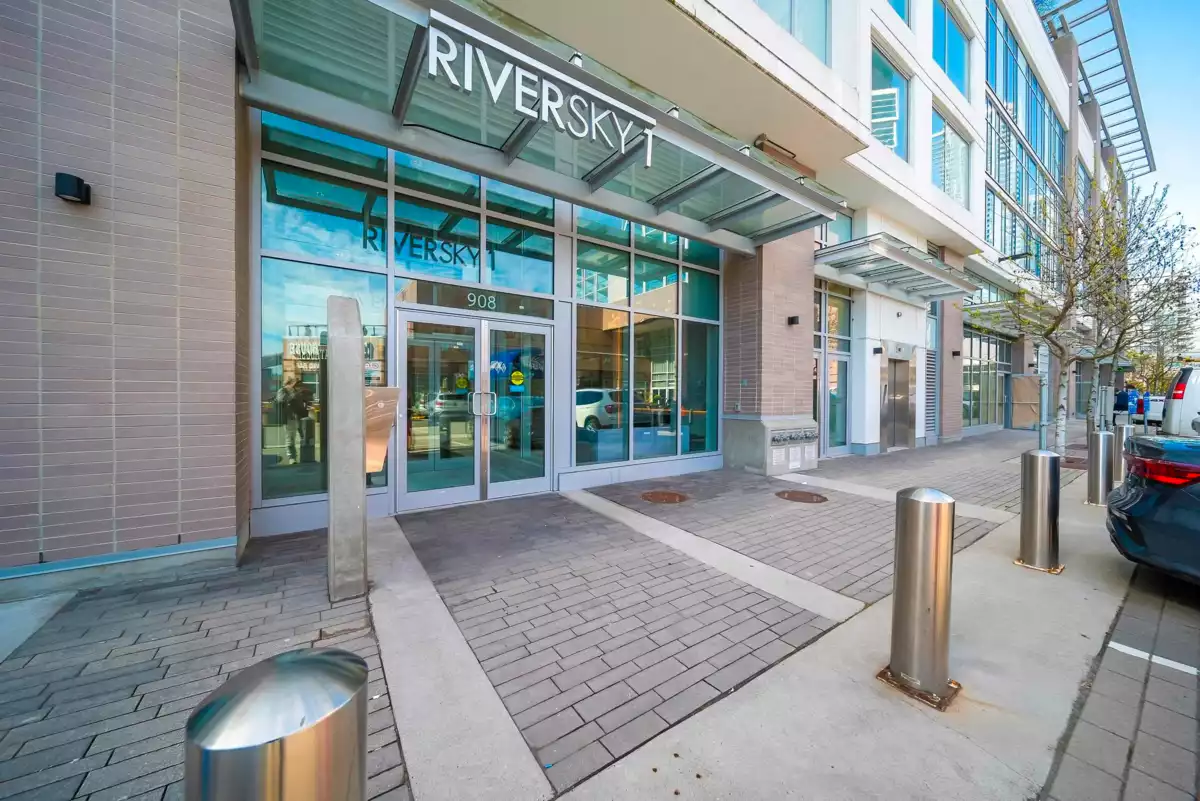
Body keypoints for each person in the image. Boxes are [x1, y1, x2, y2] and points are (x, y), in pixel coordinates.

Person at [275, 376, 313, 465]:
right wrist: (294, 394)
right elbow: (281, 400)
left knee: (302, 437)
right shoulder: (282, 391)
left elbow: (305, 401)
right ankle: (292, 457)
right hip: (289, 418)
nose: (295, 386)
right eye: (293, 384)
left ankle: (305, 456)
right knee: (290, 438)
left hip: (299, 417)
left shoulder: (297, 392)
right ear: (288, 384)